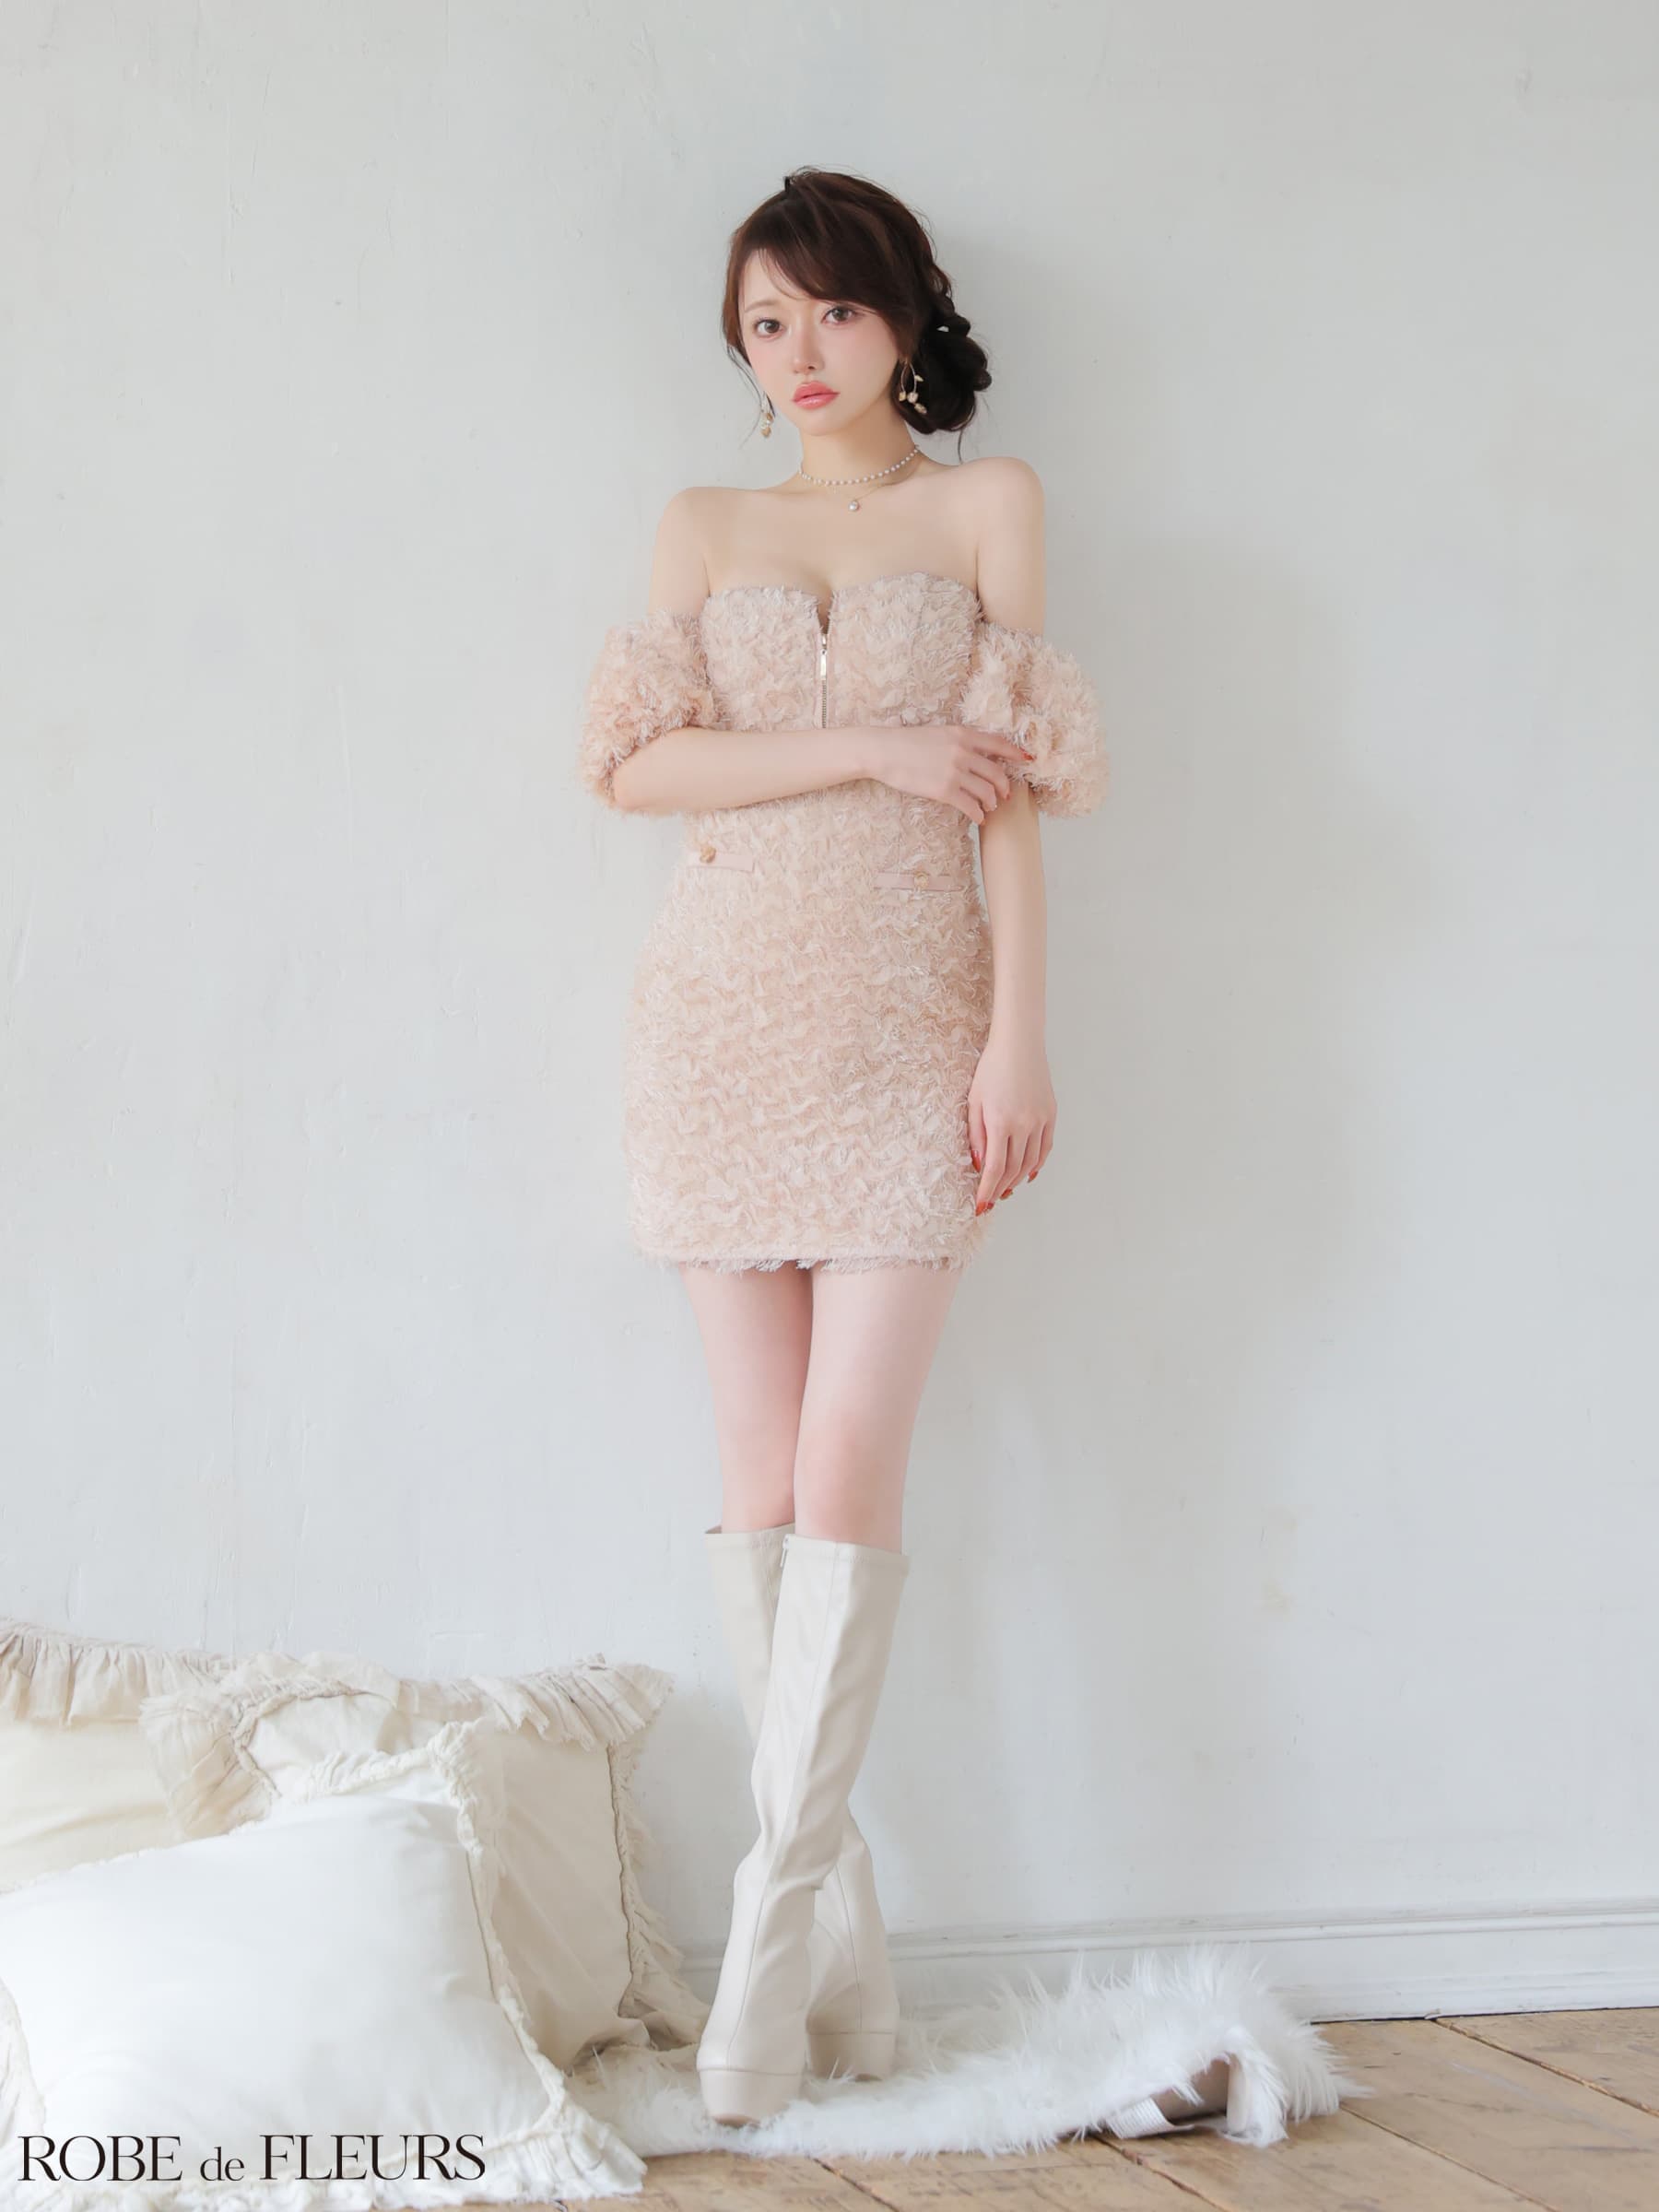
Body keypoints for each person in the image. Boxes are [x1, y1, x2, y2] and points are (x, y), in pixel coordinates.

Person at [577, 168, 1225, 2136]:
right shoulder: (705, 524)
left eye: (834, 315)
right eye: (766, 324)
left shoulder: (986, 504)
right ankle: (833, 1980)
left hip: (913, 1032)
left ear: (907, 315)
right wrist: (869, 747)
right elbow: (637, 766)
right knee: (759, 1478)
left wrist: (1019, 1032)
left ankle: (762, 1963)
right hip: (719, 1024)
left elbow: (1010, 796)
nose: (801, 355)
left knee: (850, 1465)